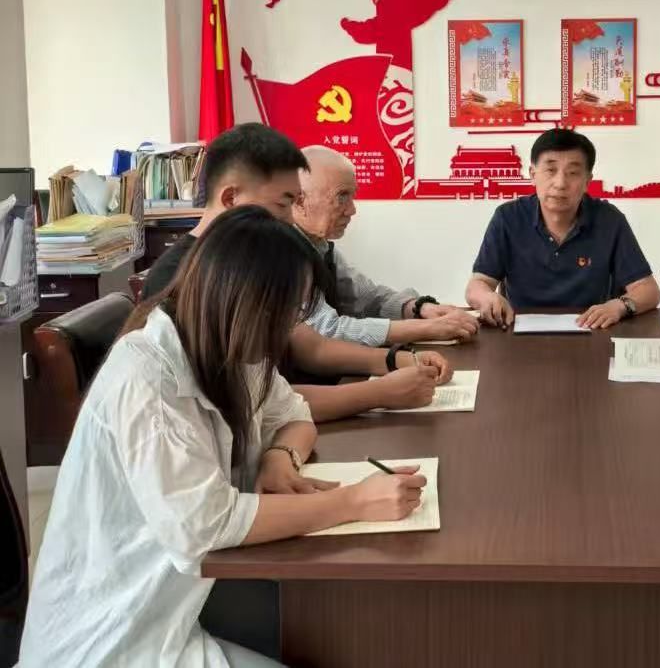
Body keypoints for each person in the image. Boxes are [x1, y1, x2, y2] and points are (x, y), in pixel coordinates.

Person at [20, 206, 429, 667]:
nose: (287, 330)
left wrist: (281, 457)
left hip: (178, 610)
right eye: (285, 311)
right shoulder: (146, 375)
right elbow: (203, 524)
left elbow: (294, 414)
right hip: (110, 642)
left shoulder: (231, 350)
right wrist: (353, 501)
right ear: (239, 298)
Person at [142, 123, 451, 421]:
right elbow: (249, 404)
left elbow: (311, 346)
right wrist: (379, 392)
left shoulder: (254, 260)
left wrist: (398, 359)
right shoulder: (185, 276)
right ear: (231, 199)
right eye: (283, 204)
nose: (291, 220)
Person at [465, 127, 660, 329]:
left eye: (573, 173)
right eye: (550, 170)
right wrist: (487, 297)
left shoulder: (609, 220)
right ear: (533, 174)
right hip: (518, 333)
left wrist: (619, 306)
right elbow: (477, 285)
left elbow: (648, 290)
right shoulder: (508, 218)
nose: (560, 183)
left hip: (592, 331)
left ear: (587, 181)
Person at [292, 145, 478, 346]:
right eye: (342, 197)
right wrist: (426, 328)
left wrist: (420, 308)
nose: (352, 210)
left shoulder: (320, 246)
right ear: (300, 201)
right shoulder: (282, 252)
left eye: (352, 196)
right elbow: (325, 330)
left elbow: (368, 299)